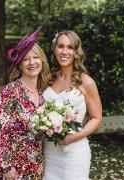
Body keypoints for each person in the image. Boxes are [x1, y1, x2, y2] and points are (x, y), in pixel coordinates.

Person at [0, 28, 50, 180]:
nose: (32, 63)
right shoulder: (9, 92)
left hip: (36, 162)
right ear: (19, 64)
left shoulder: (44, 92)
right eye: (26, 59)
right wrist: (6, 167)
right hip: (14, 166)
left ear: (42, 61)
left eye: (36, 57)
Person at [42, 30, 102, 180]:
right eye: (60, 46)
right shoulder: (49, 79)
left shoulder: (86, 82)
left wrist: (73, 137)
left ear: (76, 52)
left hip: (74, 153)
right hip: (49, 152)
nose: (64, 51)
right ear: (54, 49)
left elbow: (96, 118)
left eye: (70, 47)